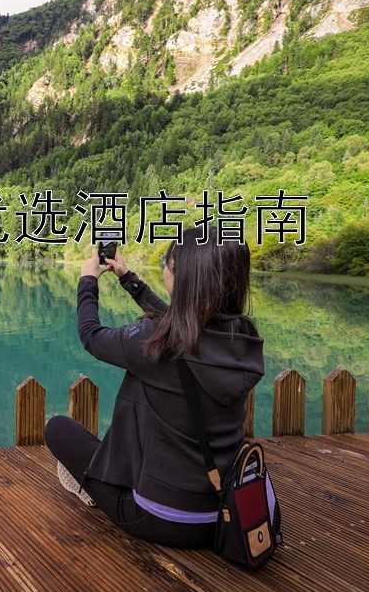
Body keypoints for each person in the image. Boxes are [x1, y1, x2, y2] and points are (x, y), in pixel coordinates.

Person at [45, 227, 265, 549]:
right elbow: (182, 321)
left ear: (185, 279)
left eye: (168, 262)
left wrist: (88, 280)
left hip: (158, 518)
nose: (164, 267)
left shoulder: (153, 344)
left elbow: (91, 335)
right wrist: (127, 277)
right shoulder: (242, 338)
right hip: (224, 510)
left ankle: (90, 488)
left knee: (58, 429)